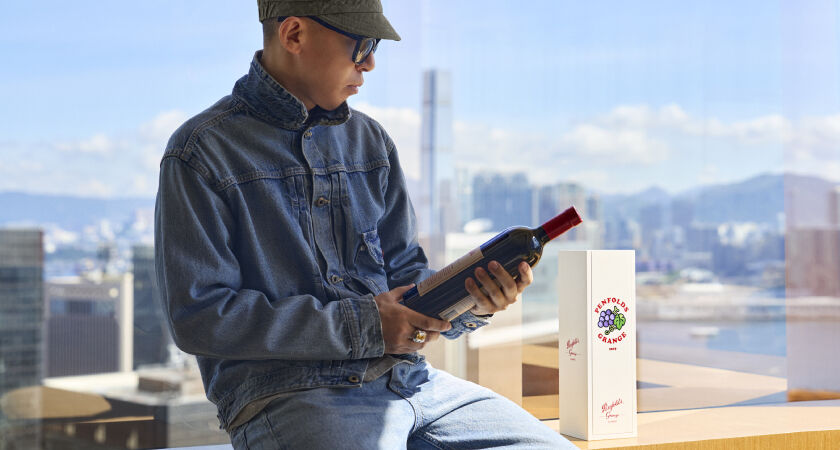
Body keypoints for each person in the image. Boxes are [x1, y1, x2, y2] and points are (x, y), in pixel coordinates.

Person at [155, 0, 576, 448]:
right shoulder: (202, 152)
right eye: (362, 45)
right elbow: (199, 318)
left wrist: (472, 303)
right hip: (293, 397)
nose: (371, 63)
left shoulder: (371, 143)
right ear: (294, 34)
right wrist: (367, 326)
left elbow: (406, 274)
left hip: (414, 383)